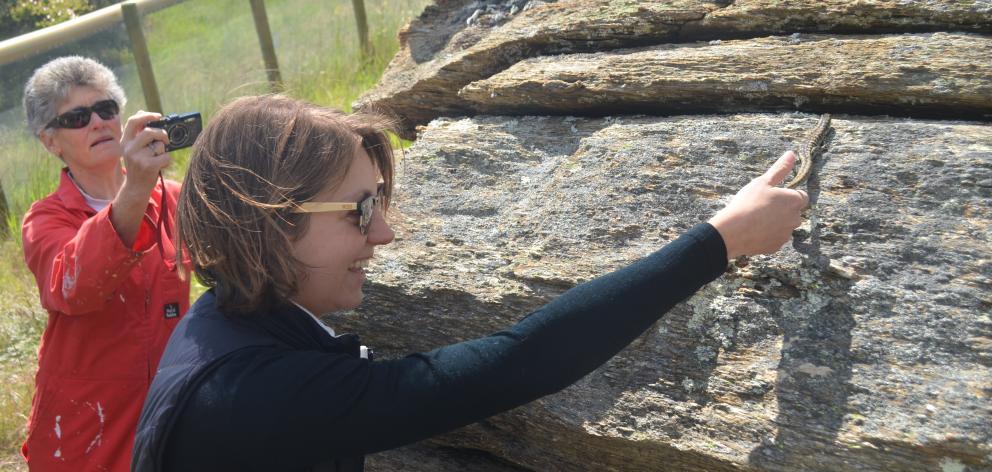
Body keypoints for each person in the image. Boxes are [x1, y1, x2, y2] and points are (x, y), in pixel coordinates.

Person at [133, 94, 808, 471]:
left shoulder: (226, 323)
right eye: (360, 210)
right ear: (266, 221)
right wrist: (719, 242)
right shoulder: (249, 395)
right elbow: (511, 365)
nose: (385, 235)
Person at [19, 56, 190, 471]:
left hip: (168, 413)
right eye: (77, 117)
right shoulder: (45, 220)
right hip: (86, 432)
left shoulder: (172, 197)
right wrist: (136, 187)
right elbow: (77, 286)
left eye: (106, 109)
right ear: (50, 142)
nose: (97, 122)